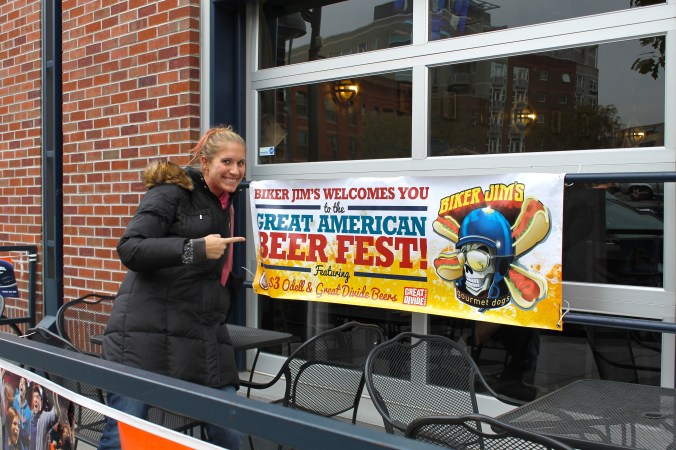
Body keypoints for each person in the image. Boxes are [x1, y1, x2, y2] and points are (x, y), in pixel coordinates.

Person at [98, 126, 248, 450]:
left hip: (201, 332)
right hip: (143, 333)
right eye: (227, 161)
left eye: (241, 163)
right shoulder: (172, 192)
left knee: (229, 432)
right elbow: (130, 248)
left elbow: (212, 276)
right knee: (123, 438)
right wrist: (194, 248)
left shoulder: (227, 204)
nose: (235, 171)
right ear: (205, 163)